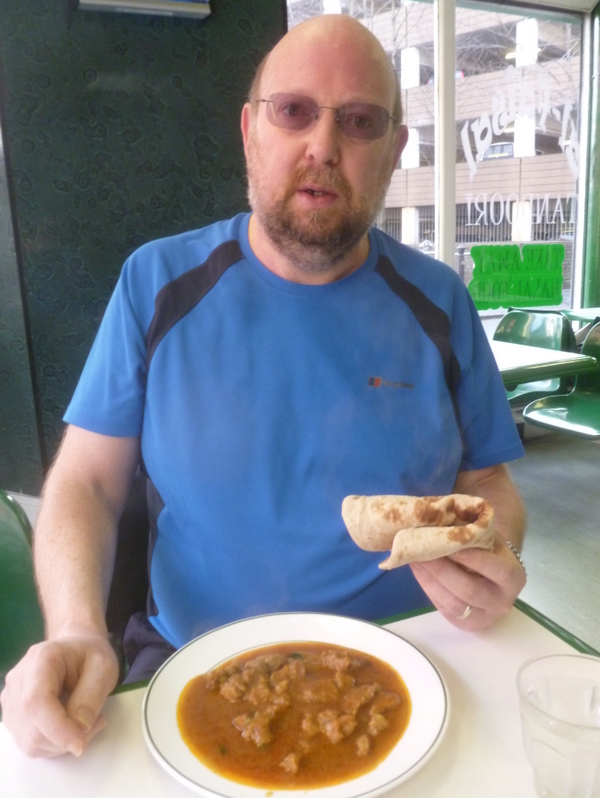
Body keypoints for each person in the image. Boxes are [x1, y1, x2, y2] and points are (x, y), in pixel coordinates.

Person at [1, 14, 526, 759]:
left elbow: (488, 484)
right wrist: (79, 630)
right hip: (191, 668)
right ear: (250, 131)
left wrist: (494, 555)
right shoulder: (156, 284)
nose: (324, 146)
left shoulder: (440, 301)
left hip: (414, 657)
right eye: (294, 111)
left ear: (394, 150)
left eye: (360, 121)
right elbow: (85, 481)